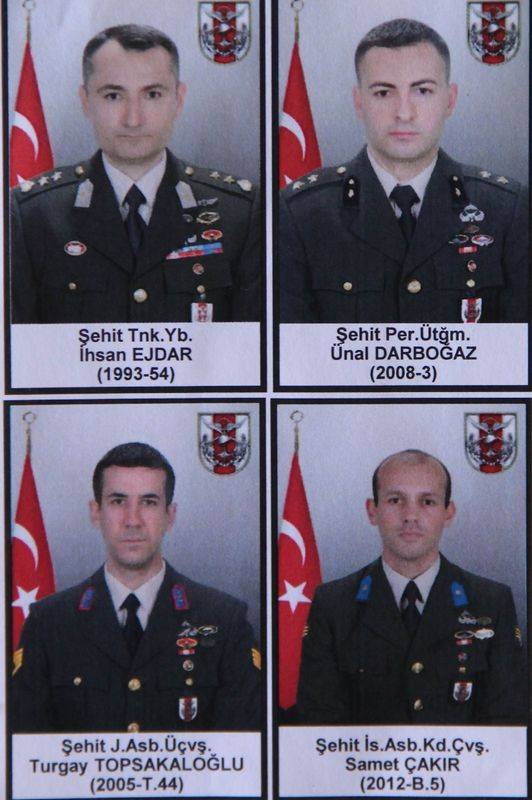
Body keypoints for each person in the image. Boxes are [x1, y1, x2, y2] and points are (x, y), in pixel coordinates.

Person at [280, 18, 528, 324]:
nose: (404, 113)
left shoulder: (506, 211)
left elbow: (521, 348)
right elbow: (289, 348)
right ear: (359, 103)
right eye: (383, 93)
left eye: (422, 90)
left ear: (450, 100)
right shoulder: (301, 214)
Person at [11, 24, 260, 323]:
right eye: (113, 96)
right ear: (86, 101)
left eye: (152, 94)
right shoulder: (34, 216)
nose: (133, 119)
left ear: (178, 100)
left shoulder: (239, 213)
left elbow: (253, 345)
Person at [12, 442, 260, 732]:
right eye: (118, 501)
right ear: (96, 512)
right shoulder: (48, 624)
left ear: (170, 515)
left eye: (149, 502)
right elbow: (27, 745)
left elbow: (241, 747)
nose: (133, 520)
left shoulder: (225, 621)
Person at [297, 449, 525, 724]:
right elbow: (319, 724)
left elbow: (506, 724)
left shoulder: (491, 603)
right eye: (395, 500)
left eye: (427, 501)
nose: (410, 516)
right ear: (372, 510)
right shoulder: (333, 605)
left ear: (448, 513)